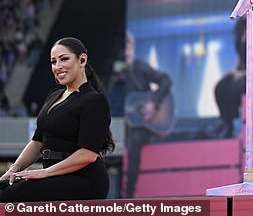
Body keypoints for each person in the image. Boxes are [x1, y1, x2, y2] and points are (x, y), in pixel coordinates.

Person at [0, 37, 115, 202]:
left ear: (82, 59)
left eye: (64, 59)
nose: (57, 66)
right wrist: (14, 169)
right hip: (53, 176)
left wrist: (45, 172)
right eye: (54, 62)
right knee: (3, 187)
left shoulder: (94, 101)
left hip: (84, 180)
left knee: (9, 196)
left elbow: (87, 154)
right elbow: (37, 142)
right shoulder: (53, 96)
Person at [118, 31, 172, 198]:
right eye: (122, 49)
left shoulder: (139, 67)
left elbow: (165, 80)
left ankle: (129, 195)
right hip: (122, 125)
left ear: (132, 49)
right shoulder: (115, 76)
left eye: (128, 48)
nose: (126, 52)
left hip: (143, 126)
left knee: (134, 140)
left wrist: (153, 103)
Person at [215, 0, 253, 138]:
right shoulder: (240, 27)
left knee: (236, 89)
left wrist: (244, 73)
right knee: (221, 87)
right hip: (243, 71)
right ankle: (226, 124)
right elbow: (241, 56)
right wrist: (236, 71)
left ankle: (237, 125)